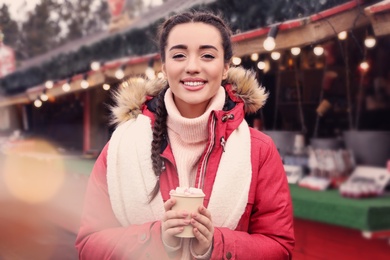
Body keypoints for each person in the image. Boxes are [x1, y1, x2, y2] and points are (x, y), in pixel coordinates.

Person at [75, 10, 295, 259]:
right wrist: (156, 239)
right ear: (164, 66)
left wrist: (215, 245)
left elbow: (280, 247)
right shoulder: (122, 146)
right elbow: (89, 244)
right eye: (179, 55)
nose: (192, 67)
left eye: (207, 55)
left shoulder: (259, 151)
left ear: (224, 68)